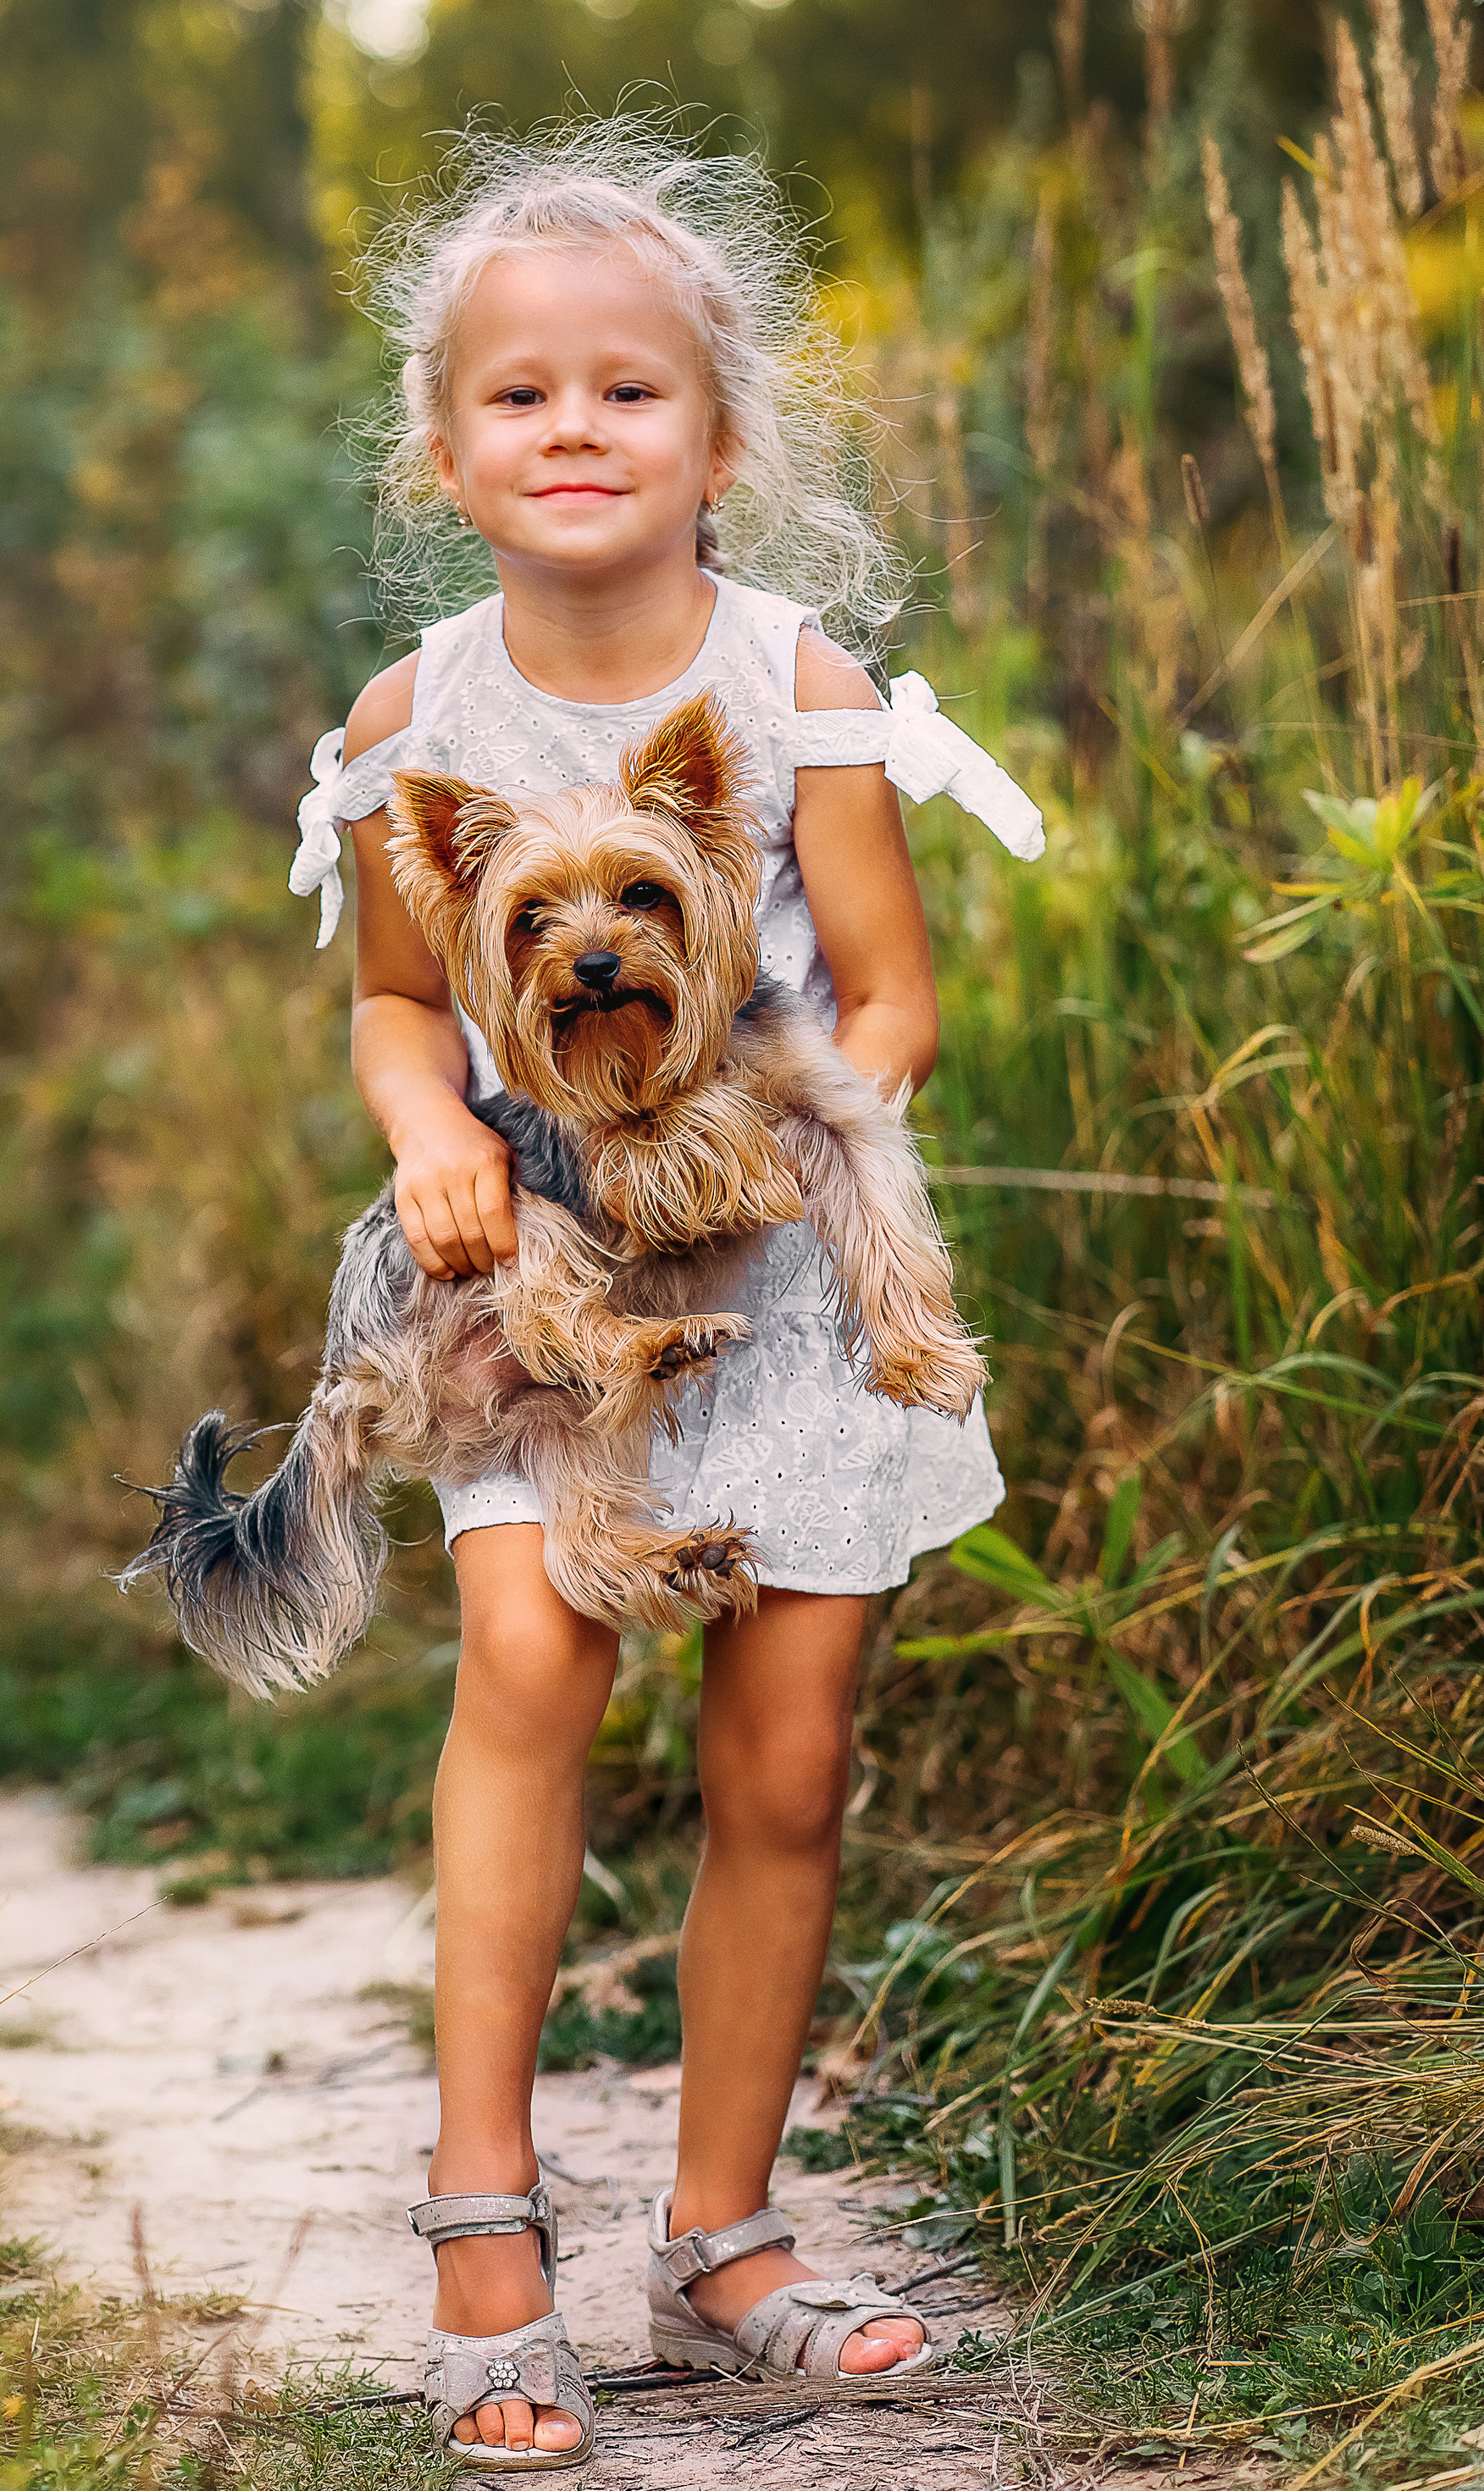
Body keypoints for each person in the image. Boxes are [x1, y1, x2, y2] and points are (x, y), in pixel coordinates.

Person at [288, 121, 1041, 2468]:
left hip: (790, 1259)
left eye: (629, 391)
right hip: (535, 1269)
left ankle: (723, 2242)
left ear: (721, 436)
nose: (577, 430)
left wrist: (774, 1148)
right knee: (528, 1655)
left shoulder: (791, 681)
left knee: (789, 1751)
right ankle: (483, 2214)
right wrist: (433, 1140)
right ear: (444, 456)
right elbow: (404, 1005)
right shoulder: (422, 720)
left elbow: (892, 1000)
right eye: (523, 397)